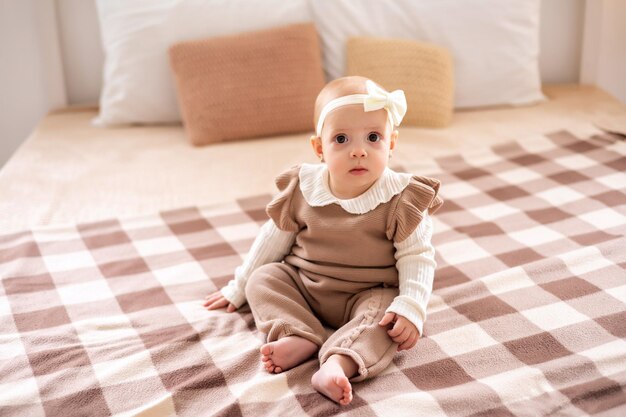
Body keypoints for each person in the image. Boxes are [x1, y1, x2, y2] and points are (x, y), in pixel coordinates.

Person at [203, 76, 443, 405]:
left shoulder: (401, 198)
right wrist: (239, 285)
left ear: (391, 143)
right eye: (341, 139)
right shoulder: (303, 188)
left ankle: (337, 363)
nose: (358, 151)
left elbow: (418, 257)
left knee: (387, 320)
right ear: (319, 148)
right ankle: (297, 334)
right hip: (305, 285)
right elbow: (271, 241)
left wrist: (412, 307)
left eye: (373, 137)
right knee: (265, 278)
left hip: (367, 294)